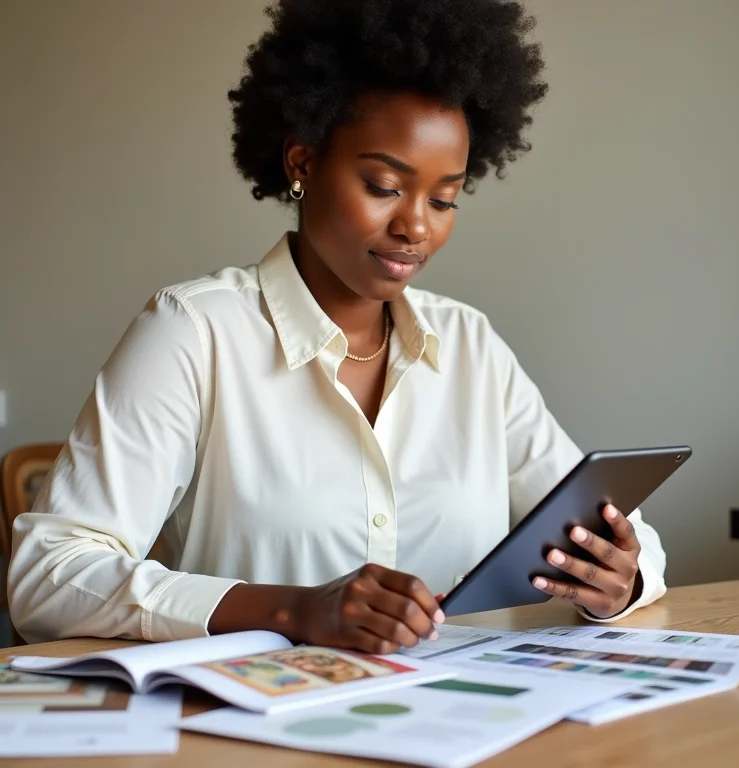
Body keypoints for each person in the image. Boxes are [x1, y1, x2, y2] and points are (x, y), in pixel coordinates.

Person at [8, 0, 667, 651]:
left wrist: (620, 579)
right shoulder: (194, 332)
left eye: (444, 199)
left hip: (459, 724)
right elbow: (49, 576)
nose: (416, 227)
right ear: (302, 163)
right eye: (384, 185)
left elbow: (619, 531)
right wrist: (294, 611)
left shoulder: (470, 347)